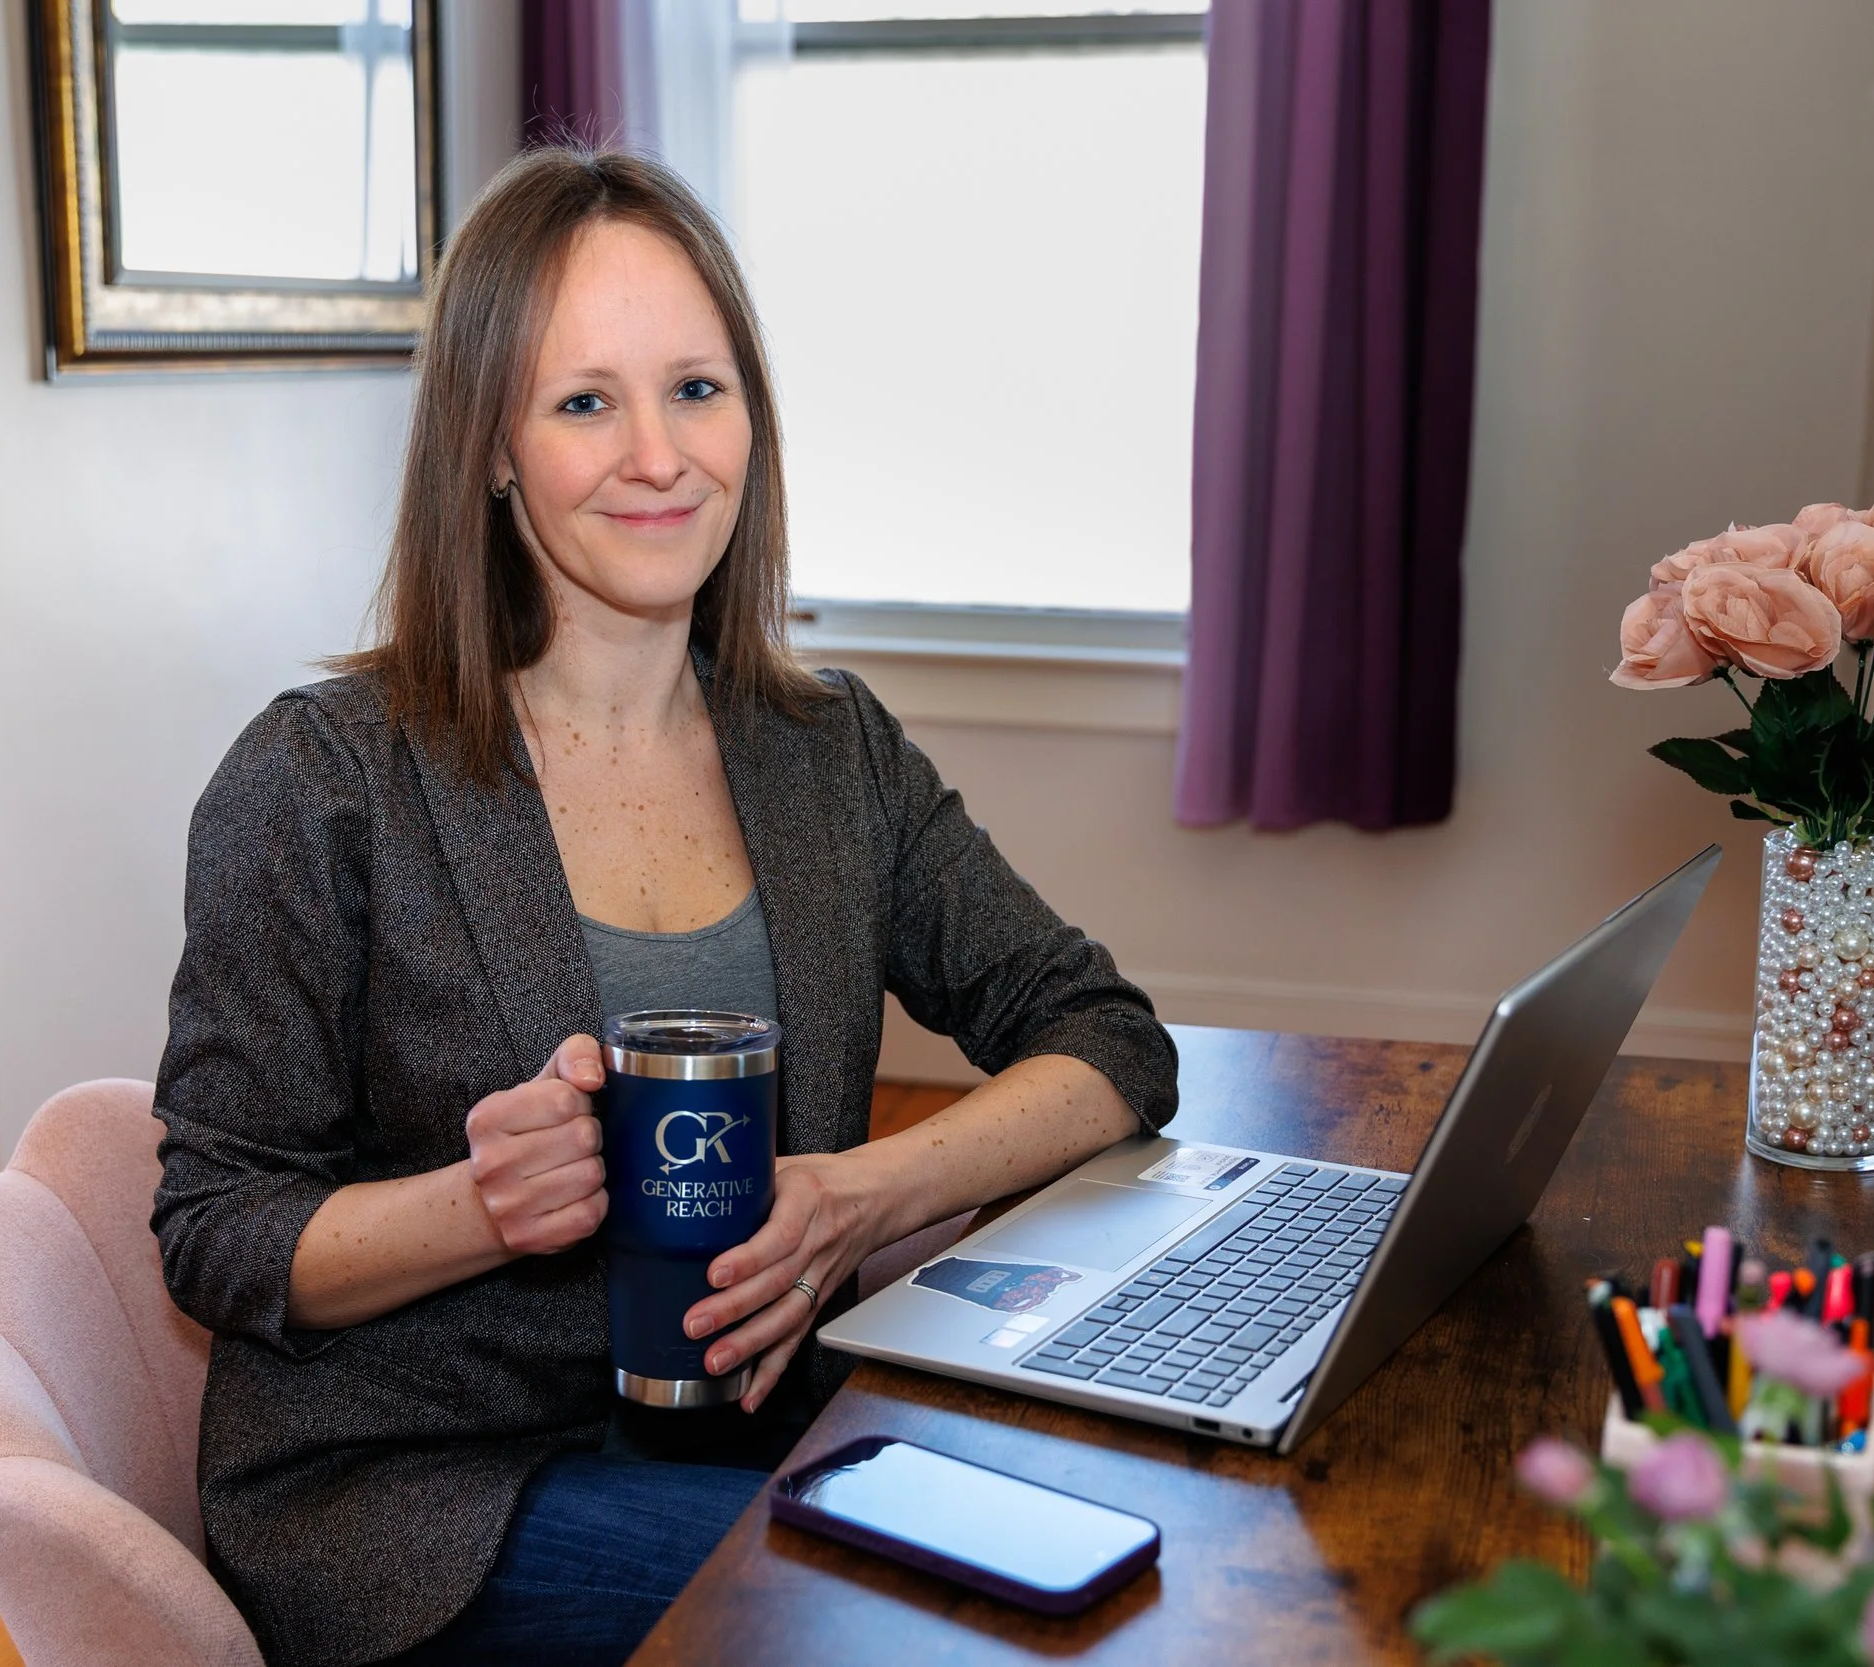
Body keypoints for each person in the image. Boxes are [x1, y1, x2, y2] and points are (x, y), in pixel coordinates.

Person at [150, 147, 1177, 1667]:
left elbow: (1108, 1040)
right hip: (431, 1494)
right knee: (901, 1632)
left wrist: (861, 1196)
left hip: (756, 1423)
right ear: (491, 451)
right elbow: (215, 1226)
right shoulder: (321, 782)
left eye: (696, 388)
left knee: (1126, 1555)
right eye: (584, 402)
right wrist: (482, 1206)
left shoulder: (834, 754)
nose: (659, 456)